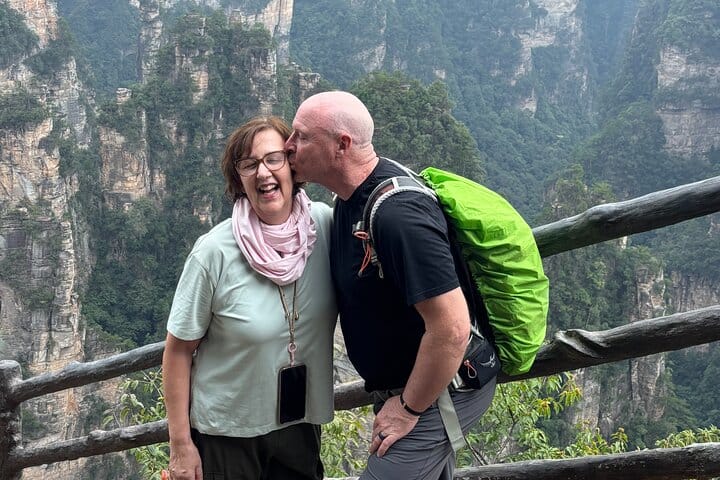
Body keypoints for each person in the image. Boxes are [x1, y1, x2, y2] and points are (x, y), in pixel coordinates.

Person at [285, 91, 497, 479]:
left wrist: (409, 408)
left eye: (301, 136)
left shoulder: (398, 216)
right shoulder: (349, 198)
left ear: (341, 146)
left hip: (440, 391)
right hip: (410, 389)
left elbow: (451, 328)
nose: (289, 145)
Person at [162, 116, 337, 480]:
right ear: (238, 178)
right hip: (226, 434)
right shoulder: (214, 252)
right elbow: (178, 351)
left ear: (293, 165)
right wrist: (180, 445)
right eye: (248, 164)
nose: (263, 173)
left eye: (274, 159)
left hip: (299, 424)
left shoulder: (324, 227)